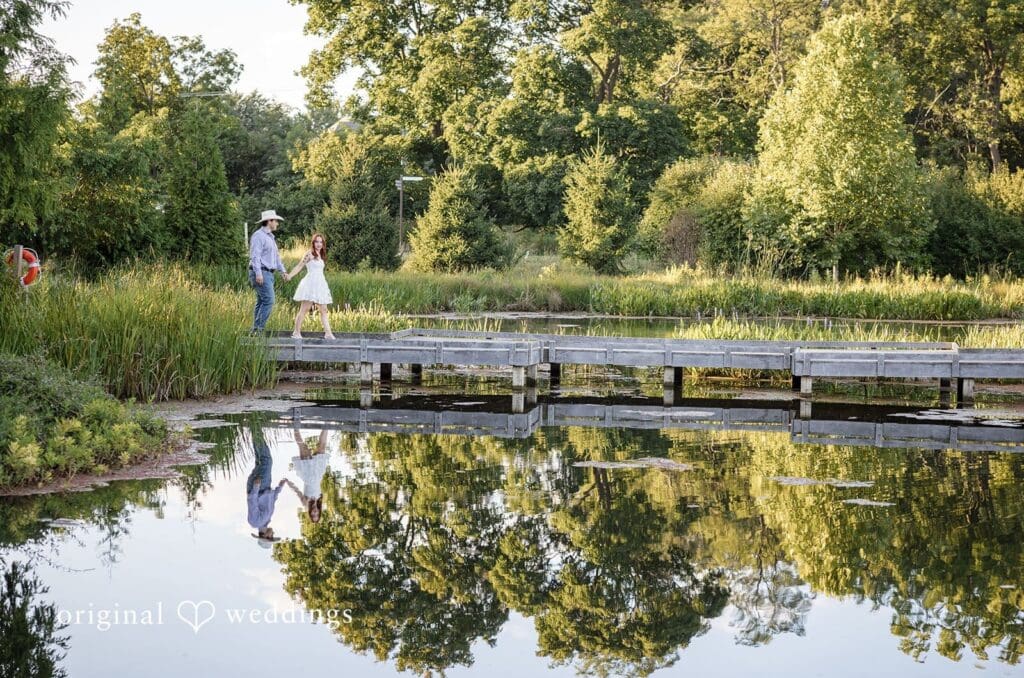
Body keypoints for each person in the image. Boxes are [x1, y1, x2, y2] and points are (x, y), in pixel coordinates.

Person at [248, 209, 291, 334]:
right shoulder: (258, 236)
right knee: (269, 300)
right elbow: (255, 256)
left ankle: (255, 330)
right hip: (261, 272)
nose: (277, 223)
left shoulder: (271, 238)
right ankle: (258, 330)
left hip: (269, 273)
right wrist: (259, 274)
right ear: (269, 221)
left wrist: (283, 272)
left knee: (262, 301)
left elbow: (276, 258)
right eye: (275, 221)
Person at [287, 233, 335, 340]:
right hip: (310, 283)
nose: (318, 244)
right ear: (313, 243)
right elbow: (299, 266)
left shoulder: (321, 255)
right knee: (305, 309)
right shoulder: (309, 254)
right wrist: (290, 275)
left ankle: (328, 333)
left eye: (320, 242)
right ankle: (296, 332)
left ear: (323, 244)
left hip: (320, 284)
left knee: (323, 309)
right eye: (316, 242)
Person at [247, 427, 287, 545]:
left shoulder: (255, 522)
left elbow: (252, 503)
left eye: (271, 537)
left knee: (266, 460)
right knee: (260, 460)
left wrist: (256, 487)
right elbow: (271, 499)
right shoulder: (267, 520)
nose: (273, 534)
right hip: (265, 486)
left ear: (265, 536)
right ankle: (254, 427)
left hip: (258, 487)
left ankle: (256, 428)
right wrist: (279, 488)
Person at [285, 427, 329, 524]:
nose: (315, 513)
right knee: (321, 446)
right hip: (318, 473)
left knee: (302, 446)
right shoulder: (320, 501)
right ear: (319, 512)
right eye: (317, 515)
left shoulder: (306, 503)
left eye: (313, 515)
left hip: (307, 473)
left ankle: (295, 425)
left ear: (310, 513)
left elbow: (297, 491)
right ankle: (327, 424)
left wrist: (288, 483)